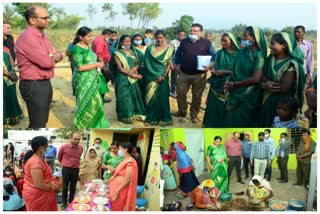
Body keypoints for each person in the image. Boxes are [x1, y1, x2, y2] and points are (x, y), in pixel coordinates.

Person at [15, 5, 63, 128]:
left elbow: (58, 54)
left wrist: (51, 55)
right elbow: (46, 62)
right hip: (33, 84)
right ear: (32, 20)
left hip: (43, 83)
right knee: (38, 123)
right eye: (45, 18)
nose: (49, 20)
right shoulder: (28, 37)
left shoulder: (42, 36)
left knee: (42, 119)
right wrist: (52, 56)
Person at [224, 26, 267, 127]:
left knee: (243, 122)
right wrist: (228, 81)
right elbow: (234, 70)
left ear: (254, 38)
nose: (242, 37)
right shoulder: (241, 52)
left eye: (245, 35)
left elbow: (256, 79)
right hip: (234, 90)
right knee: (231, 119)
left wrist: (234, 84)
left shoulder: (259, 55)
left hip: (248, 94)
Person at [260, 32, 306, 127]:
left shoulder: (291, 64)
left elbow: (283, 88)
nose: (269, 46)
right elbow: (260, 77)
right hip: (266, 102)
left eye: (273, 43)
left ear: (284, 45)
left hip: (282, 107)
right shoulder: (270, 59)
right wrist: (264, 85)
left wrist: (265, 82)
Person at [173, 23, 216, 124]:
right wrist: (178, 65)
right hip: (183, 74)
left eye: (195, 31)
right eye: (191, 31)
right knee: (180, 94)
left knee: (197, 96)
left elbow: (214, 55)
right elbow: (178, 54)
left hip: (199, 75)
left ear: (200, 32)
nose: (193, 32)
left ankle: (194, 115)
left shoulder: (207, 43)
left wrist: (210, 66)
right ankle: (182, 111)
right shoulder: (184, 42)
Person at [71, 26, 110, 128]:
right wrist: (96, 65)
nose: (91, 38)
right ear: (81, 37)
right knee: (85, 101)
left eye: (91, 36)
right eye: (88, 36)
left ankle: (96, 123)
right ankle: (83, 124)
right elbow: (80, 67)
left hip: (93, 77)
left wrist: (99, 63)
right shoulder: (76, 49)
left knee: (96, 100)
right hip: (83, 80)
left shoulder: (89, 46)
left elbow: (93, 58)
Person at [203, 32, 239, 127]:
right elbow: (214, 64)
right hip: (216, 84)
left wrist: (223, 72)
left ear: (232, 42)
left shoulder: (239, 55)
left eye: (225, 41)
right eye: (222, 41)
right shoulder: (219, 53)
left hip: (229, 85)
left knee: (225, 107)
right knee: (213, 106)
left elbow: (238, 71)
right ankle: (210, 125)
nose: (223, 43)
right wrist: (213, 69)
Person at [112, 34, 146, 124]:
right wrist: (133, 75)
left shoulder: (132, 52)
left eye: (129, 41)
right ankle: (126, 116)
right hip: (122, 78)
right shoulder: (117, 53)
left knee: (135, 96)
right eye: (125, 41)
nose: (128, 43)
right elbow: (120, 68)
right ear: (121, 42)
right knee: (125, 97)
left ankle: (136, 114)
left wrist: (133, 70)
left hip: (132, 75)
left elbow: (137, 64)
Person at [22, 136, 62, 211]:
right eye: (46, 146)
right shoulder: (35, 163)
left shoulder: (39, 158)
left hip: (43, 194)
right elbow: (39, 184)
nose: (47, 148)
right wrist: (54, 187)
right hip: (38, 196)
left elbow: (44, 176)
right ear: (41, 148)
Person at [144, 30, 174, 126]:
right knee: (151, 98)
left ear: (165, 38)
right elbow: (147, 63)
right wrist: (156, 75)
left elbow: (169, 64)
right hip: (151, 76)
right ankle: (150, 118)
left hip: (163, 77)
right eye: (157, 38)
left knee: (163, 97)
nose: (159, 40)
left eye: (161, 38)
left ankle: (164, 118)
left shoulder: (170, 49)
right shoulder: (149, 49)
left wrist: (163, 76)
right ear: (154, 38)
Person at [106, 142, 138, 211]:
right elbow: (118, 174)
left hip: (121, 190)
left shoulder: (130, 162)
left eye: (120, 149)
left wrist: (117, 191)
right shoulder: (124, 160)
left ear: (126, 149)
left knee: (117, 207)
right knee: (112, 206)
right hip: (115, 188)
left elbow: (127, 179)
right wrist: (106, 181)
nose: (118, 151)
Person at [57, 132, 83, 210]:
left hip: (76, 169)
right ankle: (64, 203)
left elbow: (79, 157)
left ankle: (71, 201)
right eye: (75, 139)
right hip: (66, 169)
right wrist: (65, 164)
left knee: (73, 187)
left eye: (78, 139)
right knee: (65, 186)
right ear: (71, 138)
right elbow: (59, 157)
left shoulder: (81, 148)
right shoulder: (64, 147)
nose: (77, 141)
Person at [3, 46, 23, 126]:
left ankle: (12, 118)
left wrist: (11, 71)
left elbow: (11, 61)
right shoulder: (5, 49)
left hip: (9, 78)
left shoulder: (5, 49)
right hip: (6, 77)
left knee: (11, 97)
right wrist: (8, 73)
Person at [92, 28, 112, 103]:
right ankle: (99, 97)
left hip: (102, 62)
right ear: (107, 34)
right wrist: (103, 66)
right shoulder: (100, 40)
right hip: (101, 63)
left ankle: (100, 97)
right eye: (110, 36)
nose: (109, 38)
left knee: (103, 80)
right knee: (104, 79)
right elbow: (99, 53)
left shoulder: (100, 39)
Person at [169, 29, 185, 96]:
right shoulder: (173, 42)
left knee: (182, 78)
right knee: (174, 78)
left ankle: (181, 91)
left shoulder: (186, 42)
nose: (182, 36)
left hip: (184, 63)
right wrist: (171, 63)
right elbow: (169, 53)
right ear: (177, 35)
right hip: (175, 62)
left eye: (183, 35)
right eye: (180, 35)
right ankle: (173, 91)